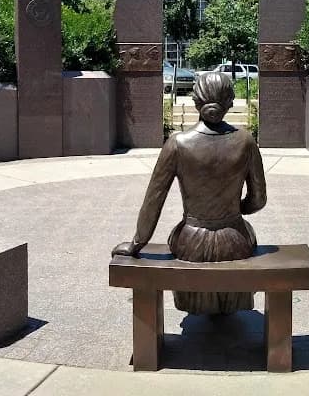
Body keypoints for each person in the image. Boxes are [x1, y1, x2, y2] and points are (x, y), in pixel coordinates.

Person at [112, 72, 267, 315]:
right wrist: (236, 209)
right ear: (229, 102)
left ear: (195, 102)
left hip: (190, 242)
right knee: (249, 238)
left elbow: (154, 200)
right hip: (236, 241)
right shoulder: (246, 142)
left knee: (179, 242)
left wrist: (136, 244)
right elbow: (258, 200)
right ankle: (230, 307)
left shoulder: (177, 143)